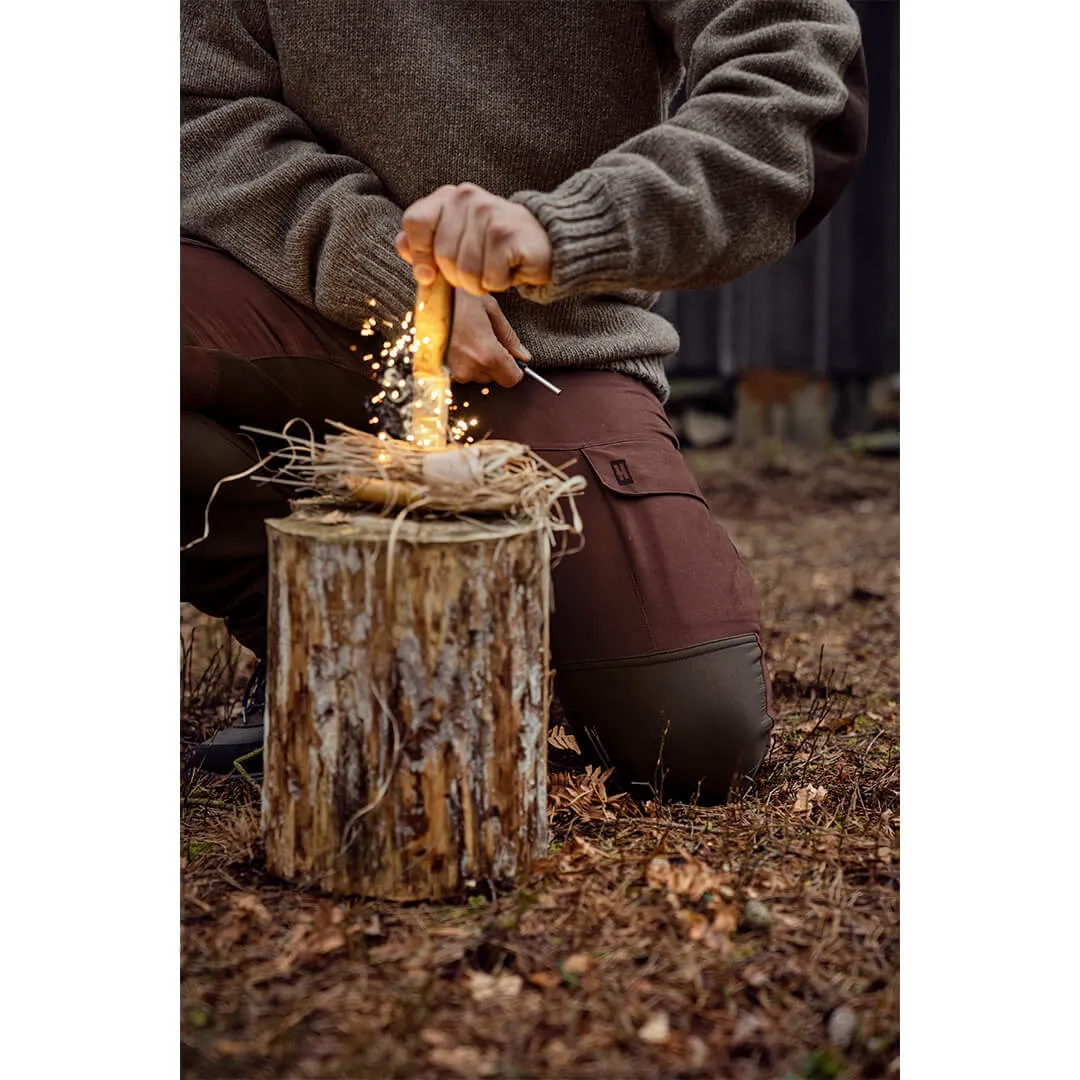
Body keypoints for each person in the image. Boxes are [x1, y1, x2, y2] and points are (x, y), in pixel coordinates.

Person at [181, 0, 868, 803]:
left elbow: (796, 73)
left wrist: (566, 230)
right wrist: (390, 272)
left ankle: (469, 635)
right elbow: (197, 103)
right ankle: (334, 632)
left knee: (697, 735)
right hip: (301, 302)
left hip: (549, 344)